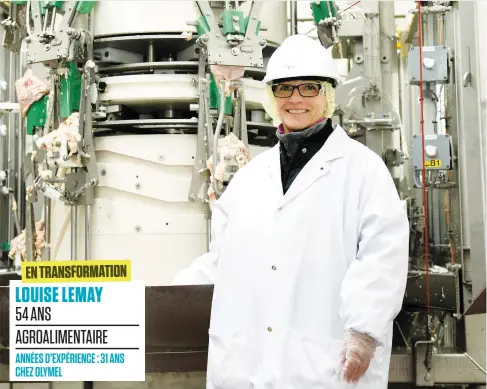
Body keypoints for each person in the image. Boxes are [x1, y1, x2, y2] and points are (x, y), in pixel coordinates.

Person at [173, 34, 409, 389]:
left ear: (327, 95)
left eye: (309, 88)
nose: (296, 99)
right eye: (284, 89)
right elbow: (221, 261)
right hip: (247, 368)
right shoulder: (250, 177)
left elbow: (382, 256)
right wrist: (152, 297)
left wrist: (364, 330)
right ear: (271, 98)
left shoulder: (363, 170)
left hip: (325, 366)